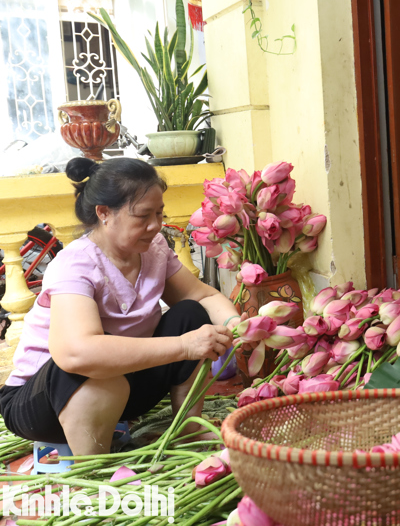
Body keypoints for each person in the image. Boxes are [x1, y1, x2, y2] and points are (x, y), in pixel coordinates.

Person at [0, 157, 237, 456]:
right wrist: (183, 346)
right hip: (42, 400)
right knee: (95, 360)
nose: (155, 225)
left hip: (121, 390)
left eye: (159, 213)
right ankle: (95, 465)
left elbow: (203, 297)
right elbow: (76, 354)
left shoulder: (155, 248)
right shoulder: (75, 264)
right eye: (142, 216)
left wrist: (235, 326)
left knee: (190, 313)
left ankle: (188, 425)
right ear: (104, 213)